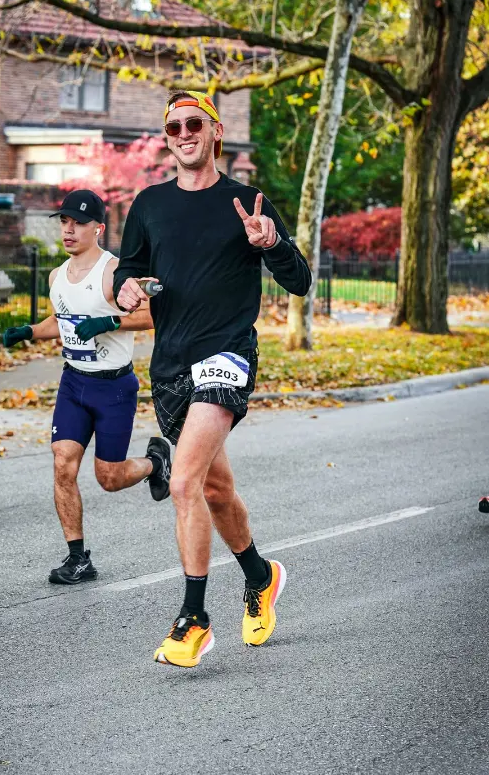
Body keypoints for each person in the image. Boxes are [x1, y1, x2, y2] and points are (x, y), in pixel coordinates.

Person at [113, 91, 312, 667]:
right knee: (216, 490)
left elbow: (299, 281)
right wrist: (124, 287)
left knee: (183, 484)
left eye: (193, 123)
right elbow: (129, 271)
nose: (182, 133)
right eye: (172, 126)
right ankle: (260, 575)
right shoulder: (149, 204)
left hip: (226, 355)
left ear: (215, 131)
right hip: (171, 363)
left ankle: (194, 618)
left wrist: (270, 242)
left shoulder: (247, 201)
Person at [4, 189, 171, 585]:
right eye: (63, 222)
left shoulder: (115, 272)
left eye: (77, 223)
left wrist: (109, 322)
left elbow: (150, 315)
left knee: (109, 479)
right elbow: (60, 320)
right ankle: (78, 558)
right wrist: (29, 331)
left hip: (114, 388)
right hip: (73, 383)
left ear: (98, 228)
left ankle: (154, 463)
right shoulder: (56, 276)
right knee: (63, 465)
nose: (69, 230)